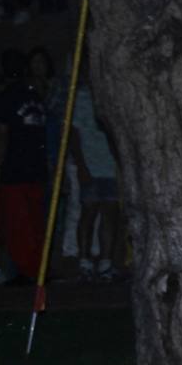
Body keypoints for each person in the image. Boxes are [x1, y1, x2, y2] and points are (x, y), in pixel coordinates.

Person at [0, 52, 47, 282]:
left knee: (21, 223)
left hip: (16, 169)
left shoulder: (9, 97)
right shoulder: (32, 96)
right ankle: (32, 268)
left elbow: (3, 133)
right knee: (31, 221)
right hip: (33, 167)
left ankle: (28, 271)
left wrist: (0, 162)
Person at [68, 73, 119, 282]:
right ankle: (84, 261)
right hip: (90, 164)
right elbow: (74, 134)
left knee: (110, 213)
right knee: (88, 211)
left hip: (111, 166)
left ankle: (105, 262)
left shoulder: (112, 94)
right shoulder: (80, 98)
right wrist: (81, 165)